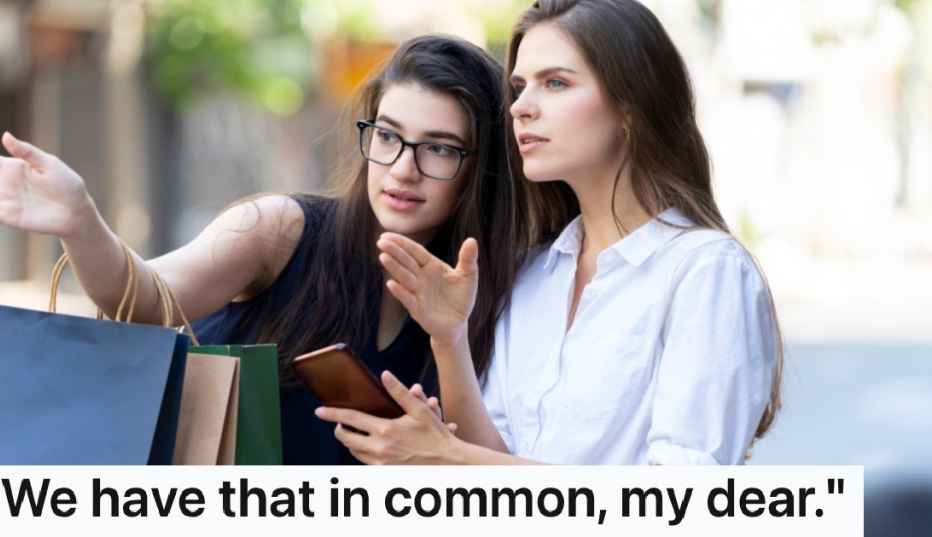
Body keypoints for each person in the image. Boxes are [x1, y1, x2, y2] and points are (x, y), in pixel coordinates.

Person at [0, 34, 542, 465]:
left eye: (438, 148)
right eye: (387, 136)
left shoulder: (503, 290)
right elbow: (144, 301)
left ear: (478, 166)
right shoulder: (282, 229)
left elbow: (481, 473)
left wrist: (449, 336)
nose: (402, 168)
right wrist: (83, 222)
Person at [315, 0, 784, 465]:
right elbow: (493, 470)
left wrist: (448, 457)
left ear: (630, 106)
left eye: (555, 83)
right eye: (519, 87)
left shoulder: (705, 272)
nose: (520, 107)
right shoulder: (532, 272)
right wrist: (450, 340)